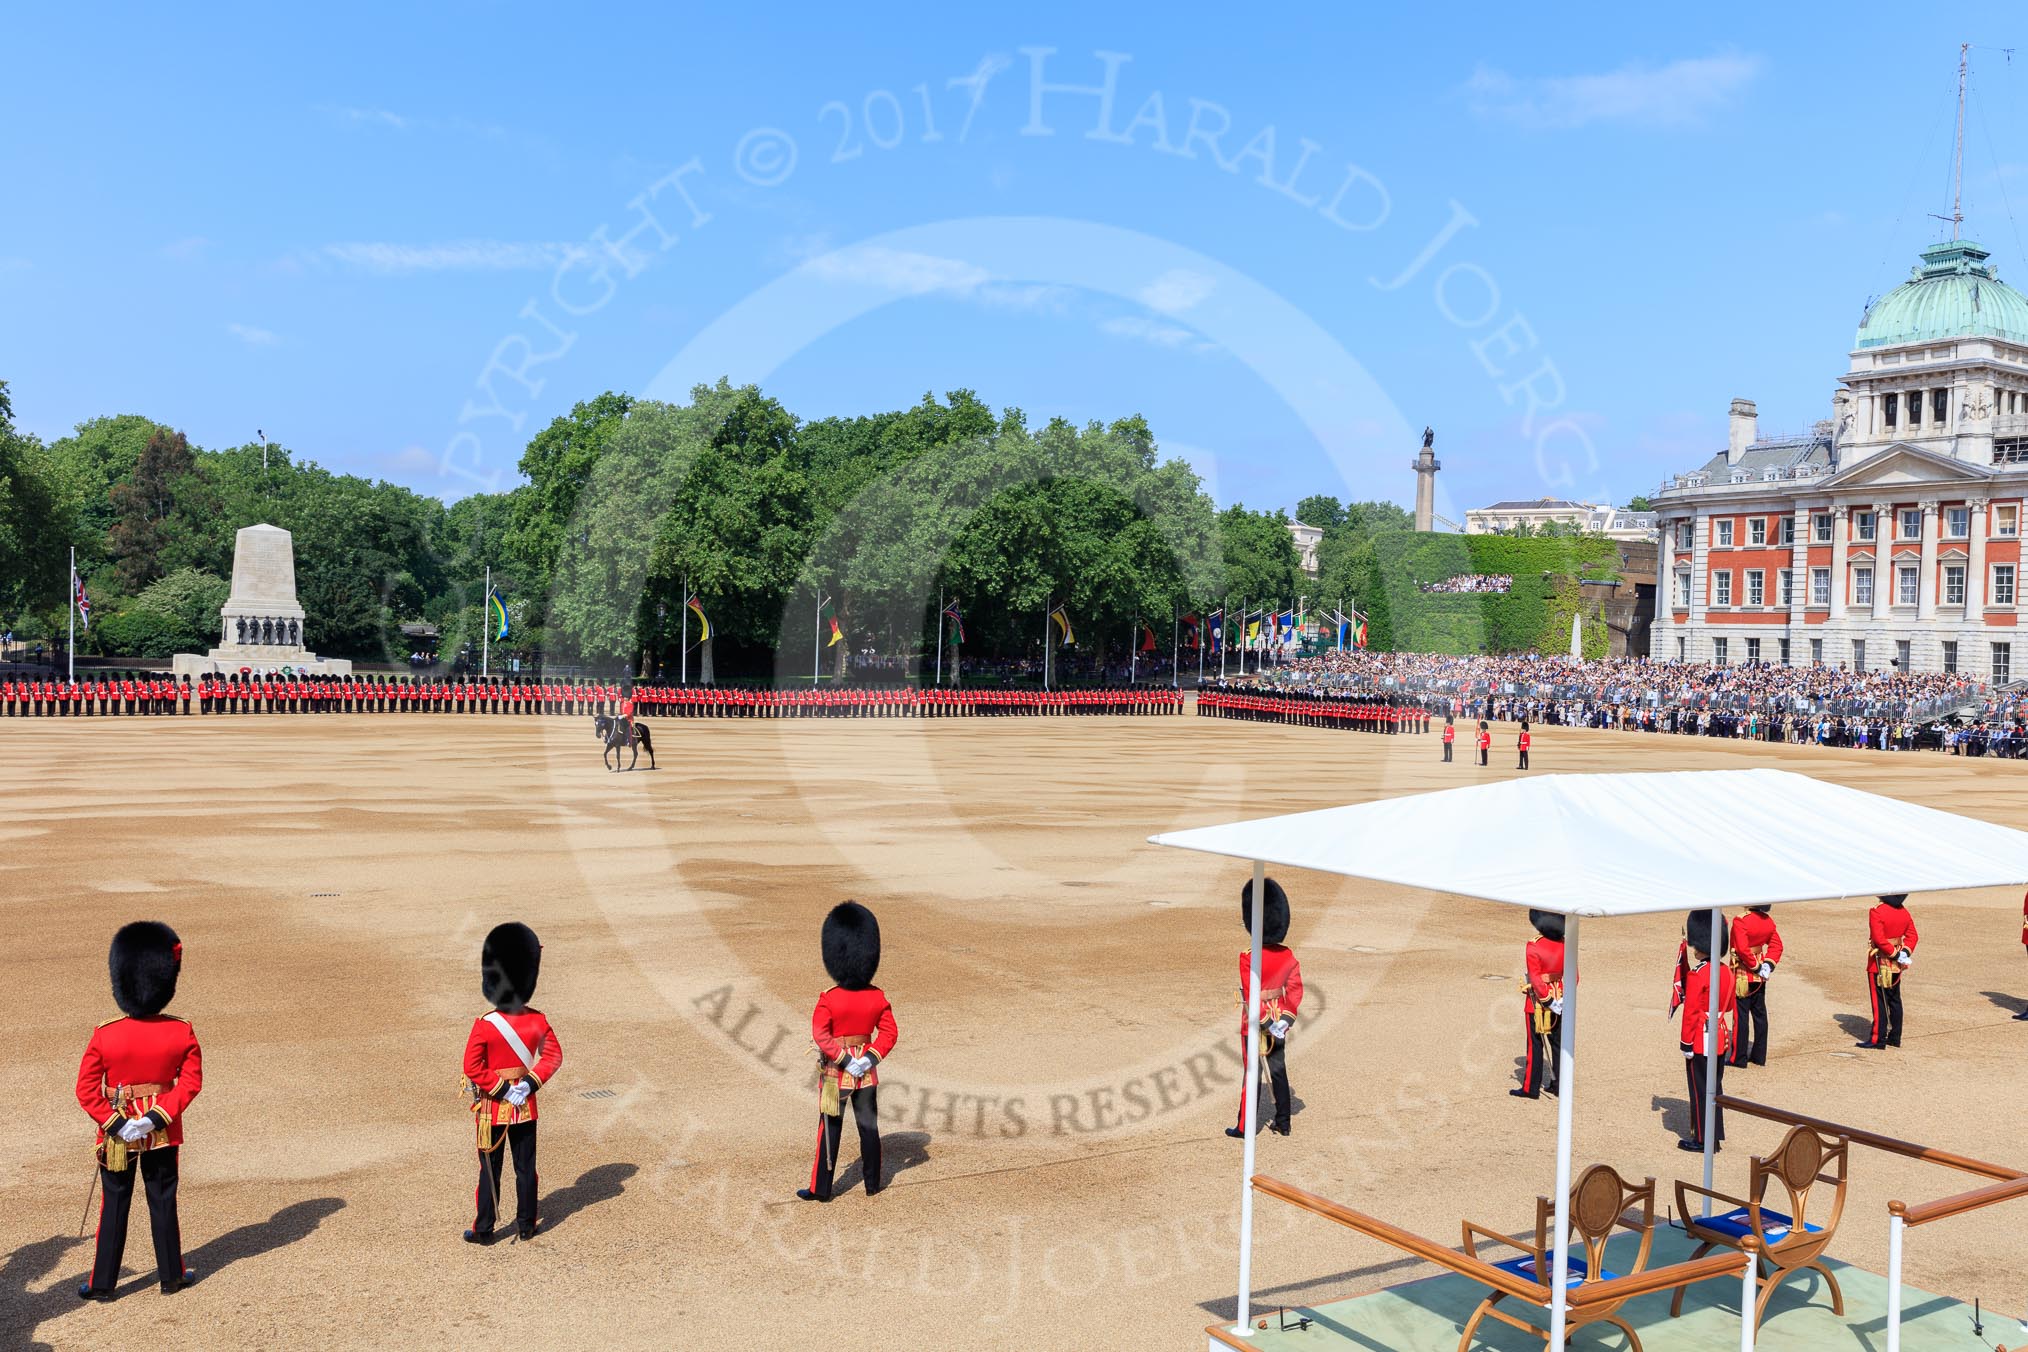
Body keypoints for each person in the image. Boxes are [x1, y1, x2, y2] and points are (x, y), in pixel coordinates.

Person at [75, 921, 201, 1299]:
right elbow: (190, 1083)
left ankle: (102, 1284)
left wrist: (117, 1124)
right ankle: (171, 1276)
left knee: (114, 1204)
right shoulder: (181, 1031)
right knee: (162, 1200)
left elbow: (85, 1090)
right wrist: (154, 1118)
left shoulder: (106, 1033)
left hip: (117, 1134)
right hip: (162, 1132)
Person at [462, 922, 562, 1243]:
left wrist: (503, 1090)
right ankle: (526, 1224)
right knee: (525, 1170)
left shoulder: (485, 1025)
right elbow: (552, 1057)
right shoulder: (537, 1020)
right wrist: (527, 1086)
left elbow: (472, 1068)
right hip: (526, 1108)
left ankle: (484, 1228)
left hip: (492, 1108)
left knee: (490, 1171)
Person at [800, 901, 897, 1201]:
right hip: (866, 1075)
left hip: (834, 1074)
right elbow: (890, 1033)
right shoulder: (877, 997)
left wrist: (844, 1060)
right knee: (869, 1129)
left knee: (829, 1129)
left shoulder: (829, 999)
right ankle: (872, 1184)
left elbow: (820, 1034)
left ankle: (822, 1188)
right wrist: (866, 1059)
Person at [1227, 877, 1302, 1138]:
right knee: (1278, 1071)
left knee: (1252, 1074)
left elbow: (1251, 993)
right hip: (1280, 1017)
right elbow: (1295, 989)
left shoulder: (1248, 956)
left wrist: (1264, 1022)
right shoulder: (1288, 955)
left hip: (1255, 1022)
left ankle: (1245, 1127)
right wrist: (1284, 1019)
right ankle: (1284, 1122)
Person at [1677, 907, 1736, 1153]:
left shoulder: (1699, 974)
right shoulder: (1726, 971)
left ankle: (1703, 1139)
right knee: (1715, 1087)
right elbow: (1731, 1005)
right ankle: (1714, 1136)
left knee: (1700, 1089)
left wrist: (1686, 1043)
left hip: (1701, 1038)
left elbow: (1691, 1011)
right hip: (1720, 1034)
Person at [1513, 909, 1564, 1099]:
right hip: (1560, 996)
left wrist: (1547, 1001)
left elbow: (1535, 978)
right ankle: (1560, 1085)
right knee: (1558, 1045)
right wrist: (1559, 999)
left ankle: (1530, 1088)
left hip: (1538, 1001)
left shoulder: (1533, 945)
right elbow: (1574, 976)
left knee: (1535, 1045)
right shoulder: (1565, 944)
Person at [1859, 893, 1918, 1050]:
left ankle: (1878, 1038)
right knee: (1894, 999)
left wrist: (1894, 953)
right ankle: (1895, 1036)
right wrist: (1903, 953)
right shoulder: (1904, 912)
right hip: (1897, 963)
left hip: (1879, 961)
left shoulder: (1877, 911)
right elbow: (1913, 936)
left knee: (1879, 1002)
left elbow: (1879, 939)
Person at [1728, 905, 1783, 1068]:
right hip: (1760, 974)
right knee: (1759, 1014)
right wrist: (1766, 965)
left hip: (1743, 972)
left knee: (1741, 1016)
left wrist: (1755, 967)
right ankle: (1759, 1056)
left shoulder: (1741, 920)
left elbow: (1742, 950)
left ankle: (1739, 1057)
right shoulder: (1768, 921)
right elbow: (1777, 946)